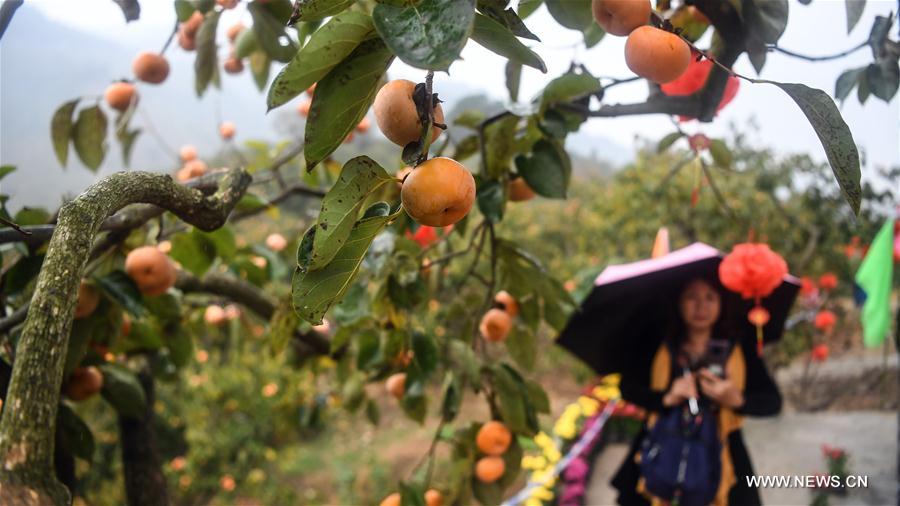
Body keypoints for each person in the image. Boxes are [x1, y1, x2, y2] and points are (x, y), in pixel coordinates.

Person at [610, 276, 782, 506]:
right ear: (678, 302)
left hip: (724, 451)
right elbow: (628, 388)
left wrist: (737, 399)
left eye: (710, 297)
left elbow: (773, 402)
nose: (701, 306)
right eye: (692, 297)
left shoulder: (740, 348)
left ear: (723, 303)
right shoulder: (658, 344)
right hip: (662, 444)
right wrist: (667, 397)